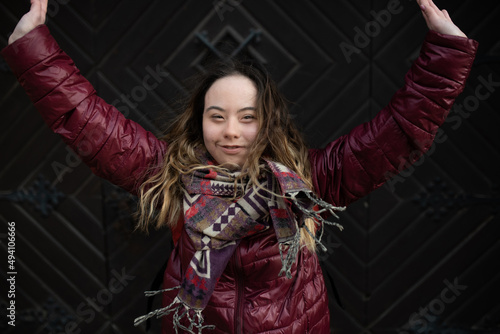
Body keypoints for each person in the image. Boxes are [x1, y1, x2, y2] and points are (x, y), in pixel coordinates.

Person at [2, 0, 478, 333]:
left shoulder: (311, 181)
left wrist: (447, 52)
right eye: (218, 116)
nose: (232, 131)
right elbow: (91, 124)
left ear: (267, 124)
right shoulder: (170, 175)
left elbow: (397, 133)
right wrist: (33, 49)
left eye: (248, 118)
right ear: (201, 122)